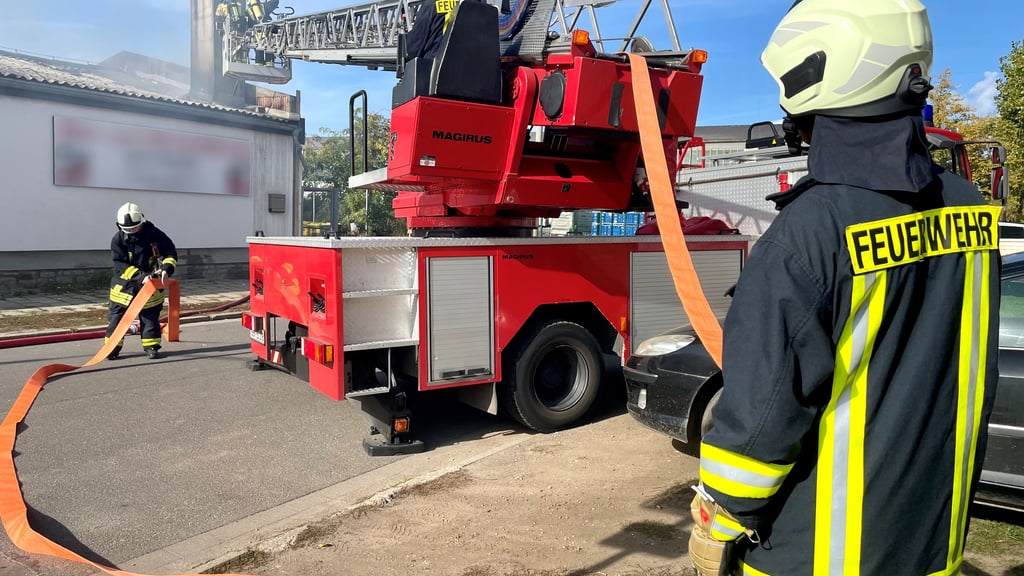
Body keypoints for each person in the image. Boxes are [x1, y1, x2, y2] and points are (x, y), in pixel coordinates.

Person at [688, 1, 1002, 575]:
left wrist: (719, 517)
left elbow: (759, 424)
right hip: (932, 545)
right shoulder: (971, 210)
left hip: (821, 557)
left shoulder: (808, 235)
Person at [105, 202, 178, 360]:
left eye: (135, 228)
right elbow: (120, 264)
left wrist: (166, 269)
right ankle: (111, 349)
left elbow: (170, 252)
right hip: (124, 288)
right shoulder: (117, 240)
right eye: (127, 229)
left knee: (150, 318)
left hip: (150, 286)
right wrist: (140, 276)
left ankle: (151, 347)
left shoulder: (154, 234)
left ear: (142, 222)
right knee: (116, 320)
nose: (131, 231)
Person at [405, 0, 483, 62]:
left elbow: (415, 47)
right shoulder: (481, 6)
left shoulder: (432, 4)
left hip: (435, 71)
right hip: (476, 71)